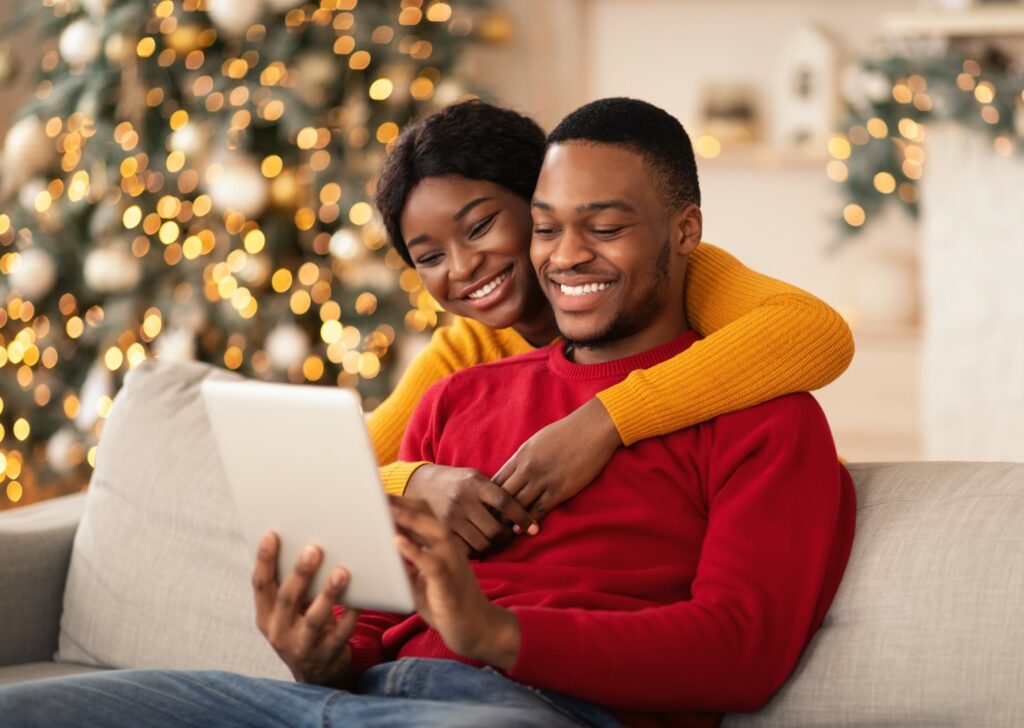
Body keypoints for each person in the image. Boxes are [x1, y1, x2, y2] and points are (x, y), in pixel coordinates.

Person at [0, 98, 856, 728]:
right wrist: (318, 650)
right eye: (550, 229)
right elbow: (375, 598)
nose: (566, 256)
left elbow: (739, 649)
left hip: (520, 710)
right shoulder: (458, 388)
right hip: (355, 701)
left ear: (681, 233)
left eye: (605, 226)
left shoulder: (762, 411)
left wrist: (499, 634)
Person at [365, 99, 854, 553]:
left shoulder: (681, 277)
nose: (463, 266)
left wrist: (603, 422)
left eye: (480, 227)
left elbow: (816, 332)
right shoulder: (466, 355)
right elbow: (337, 461)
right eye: (429, 256)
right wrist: (413, 483)